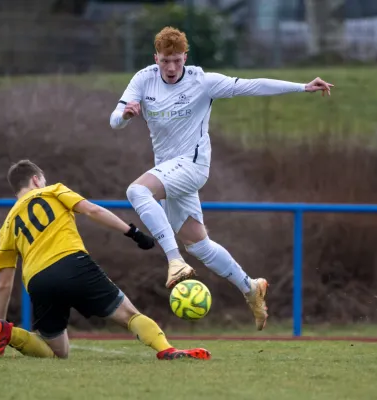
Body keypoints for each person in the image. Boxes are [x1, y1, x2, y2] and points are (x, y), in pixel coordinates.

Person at [109, 26, 333, 330]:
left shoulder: (202, 81)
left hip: (192, 166)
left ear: (185, 57)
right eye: (165, 61)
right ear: (155, 58)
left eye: (177, 60)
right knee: (199, 246)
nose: (171, 68)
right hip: (169, 171)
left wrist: (302, 87)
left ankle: (174, 262)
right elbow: (114, 121)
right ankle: (250, 287)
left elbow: (252, 86)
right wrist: (125, 114)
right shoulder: (143, 79)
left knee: (137, 192)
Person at [0, 159, 212, 360]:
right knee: (129, 315)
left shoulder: (7, 224)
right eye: (42, 180)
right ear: (36, 180)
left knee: (57, 352)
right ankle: (166, 349)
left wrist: (0, 322)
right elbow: (93, 211)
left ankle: (9, 333)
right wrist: (133, 233)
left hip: (38, 281)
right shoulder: (53, 191)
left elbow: (4, 282)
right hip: (72, 263)